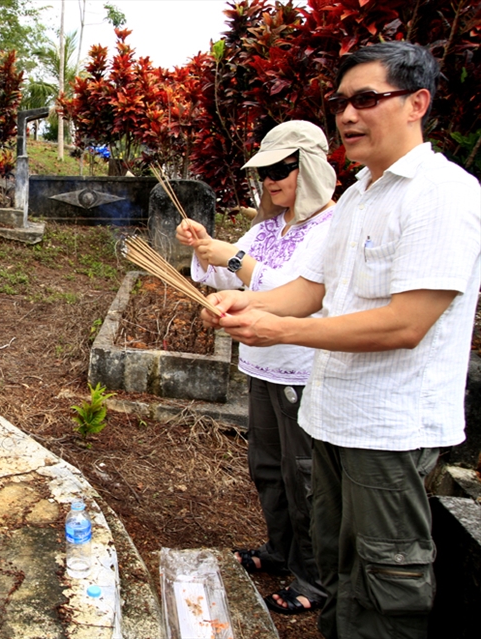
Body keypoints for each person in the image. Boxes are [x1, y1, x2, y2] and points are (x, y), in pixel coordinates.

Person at [200, 41, 481, 639]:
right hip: (334, 416)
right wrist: (248, 301)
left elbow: (408, 324)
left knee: (385, 585)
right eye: (340, 102)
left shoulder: (441, 193)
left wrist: (283, 329)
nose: (348, 115)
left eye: (366, 99)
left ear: (416, 103)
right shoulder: (357, 196)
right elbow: (310, 287)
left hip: (389, 429)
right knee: (338, 570)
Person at [176, 120, 335, 616]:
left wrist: (236, 258)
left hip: (304, 368)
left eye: (281, 169)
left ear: (308, 169)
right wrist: (204, 246)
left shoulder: (333, 227)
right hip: (262, 364)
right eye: (264, 171)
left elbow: (298, 293)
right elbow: (223, 269)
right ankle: (282, 549)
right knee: (267, 468)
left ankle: (315, 577)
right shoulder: (269, 226)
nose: (270, 180)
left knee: (303, 474)